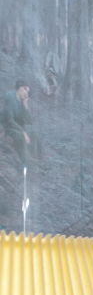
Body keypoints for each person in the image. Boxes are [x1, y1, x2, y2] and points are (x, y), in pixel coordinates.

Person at [2, 82, 32, 226]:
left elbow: (28, 120)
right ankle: (24, 164)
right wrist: (23, 132)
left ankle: (29, 163)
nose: (27, 93)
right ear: (19, 88)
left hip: (16, 127)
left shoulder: (20, 102)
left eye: (28, 91)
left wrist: (26, 105)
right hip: (6, 127)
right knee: (20, 137)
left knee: (33, 135)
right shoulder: (9, 98)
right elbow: (9, 120)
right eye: (25, 90)